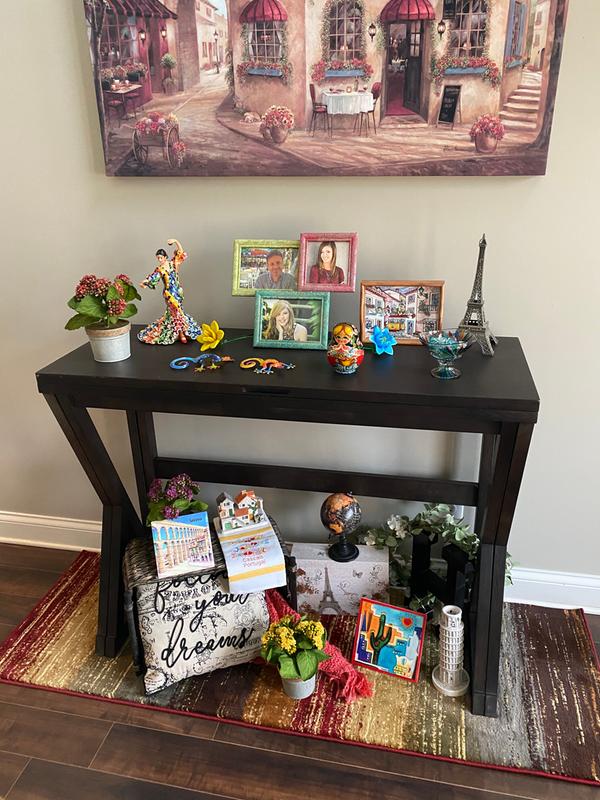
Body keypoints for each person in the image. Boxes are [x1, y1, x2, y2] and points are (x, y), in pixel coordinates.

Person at [138, 238, 201, 345]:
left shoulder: (173, 263)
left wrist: (176, 241)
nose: (159, 260)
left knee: (178, 311)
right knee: (176, 312)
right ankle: (181, 333)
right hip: (169, 293)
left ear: (165, 257)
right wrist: (146, 281)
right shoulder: (160, 269)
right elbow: (153, 278)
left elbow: (181, 253)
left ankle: (180, 332)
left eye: (161, 257)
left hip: (178, 292)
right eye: (158, 258)